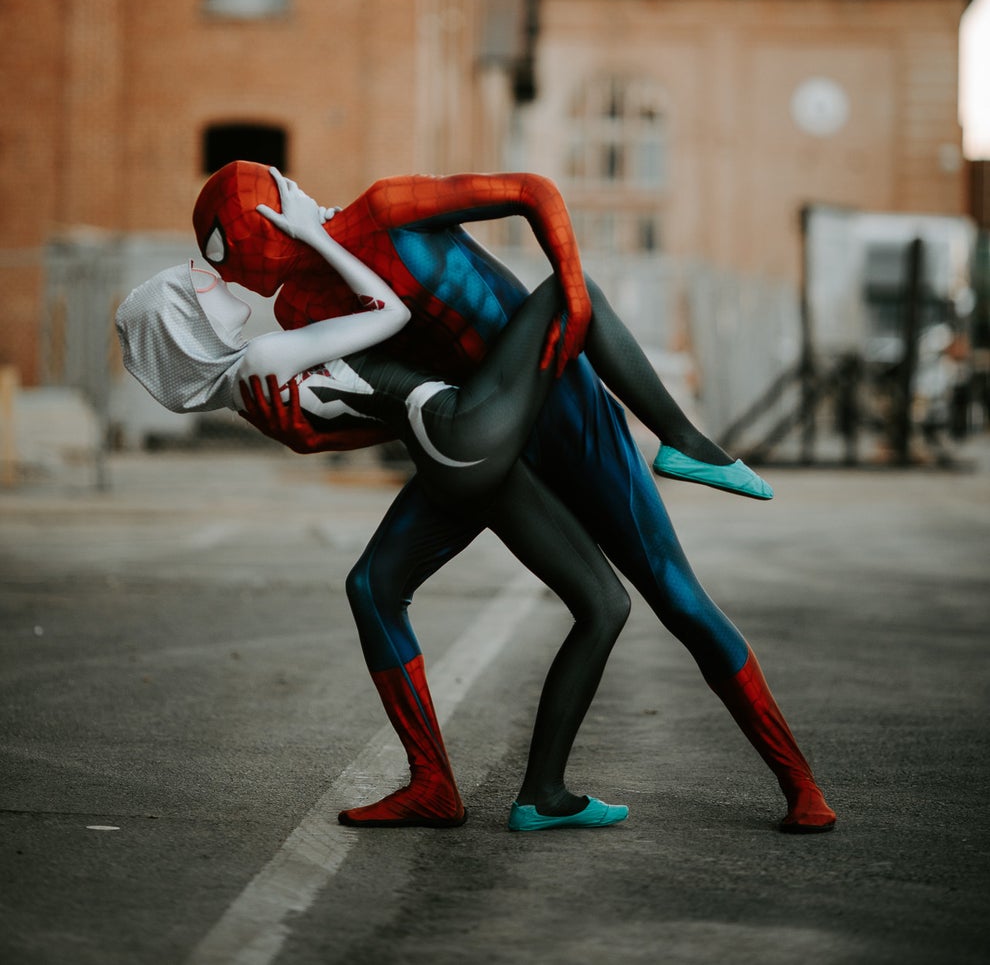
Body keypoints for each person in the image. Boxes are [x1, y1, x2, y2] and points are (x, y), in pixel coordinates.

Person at [195, 163, 837, 835]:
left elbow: (532, 191)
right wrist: (303, 437)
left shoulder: (389, 210)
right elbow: (384, 408)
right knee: (375, 585)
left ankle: (796, 781)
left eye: (247, 261)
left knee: (671, 599)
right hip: (476, 443)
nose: (257, 278)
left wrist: (575, 302)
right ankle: (437, 786)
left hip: (556, 408)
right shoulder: (302, 309)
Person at [117, 175, 632, 832]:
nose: (209, 276)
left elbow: (358, 415)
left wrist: (314, 444)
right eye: (195, 287)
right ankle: (684, 440)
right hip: (462, 433)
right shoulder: (260, 360)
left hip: (450, 446)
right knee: (566, 288)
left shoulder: (248, 390)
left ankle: (455, 786)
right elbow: (388, 312)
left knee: (373, 586)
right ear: (187, 327)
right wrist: (312, 235)